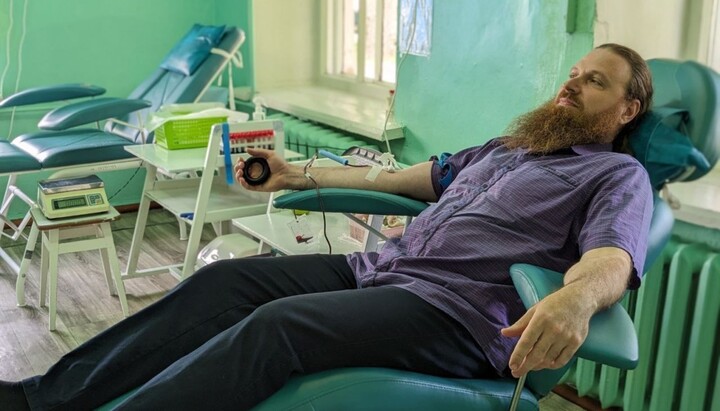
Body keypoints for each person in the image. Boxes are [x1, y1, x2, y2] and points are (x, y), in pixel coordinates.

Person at [1, 43, 654, 411]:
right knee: (219, 287)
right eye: (572, 74)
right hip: (382, 272)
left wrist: (575, 297)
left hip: (457, 312)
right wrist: (300, 174)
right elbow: (409, 178)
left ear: (627, 108)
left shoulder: (615, 176)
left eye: (593, 83)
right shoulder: (511, 147)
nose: (570, 87)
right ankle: (37, 400)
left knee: (275, 328)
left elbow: (612, 257)